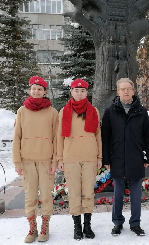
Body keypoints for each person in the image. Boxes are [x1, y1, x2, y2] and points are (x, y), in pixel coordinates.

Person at [101, 78, 149, 236]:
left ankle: (135, 223)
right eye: (122, 89)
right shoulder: (110, 111)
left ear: (133, 91)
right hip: (117, 158)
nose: (126, 92)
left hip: (136, 157)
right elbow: (106, 138)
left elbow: (147, 137)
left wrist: (147, 157)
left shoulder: (141, 111)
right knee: (118, 194)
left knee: (136, 194)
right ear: (118, 92)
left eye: (128, 89)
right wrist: (106, 159)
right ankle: (117, 222)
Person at [12, 76, 58, 243]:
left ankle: (45, 226)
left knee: (46, 195)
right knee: (30, 196)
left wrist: (55, 161)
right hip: (27, 161)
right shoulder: (22, 111)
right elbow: (16, 138)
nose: (36, 91)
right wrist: (17, 162)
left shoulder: (53, 113)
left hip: (46, 161)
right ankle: (32, 228)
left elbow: (56, 139)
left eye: (40, 88)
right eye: (34, 88)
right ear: (30, 90)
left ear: (45, 92)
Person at [56, 79, 102, 240]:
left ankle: (87, 226)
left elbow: (98, 136)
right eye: (76, 90)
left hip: (89, 157)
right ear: (71, 92)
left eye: (82, 91)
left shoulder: (93, 110)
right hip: (71, 158)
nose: (79, 93)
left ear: (86, 92)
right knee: (74, 193)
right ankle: (77, 226)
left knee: (88, 192)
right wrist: (60, 158)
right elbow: (59, 137)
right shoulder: (64, 111)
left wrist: (99, 156)